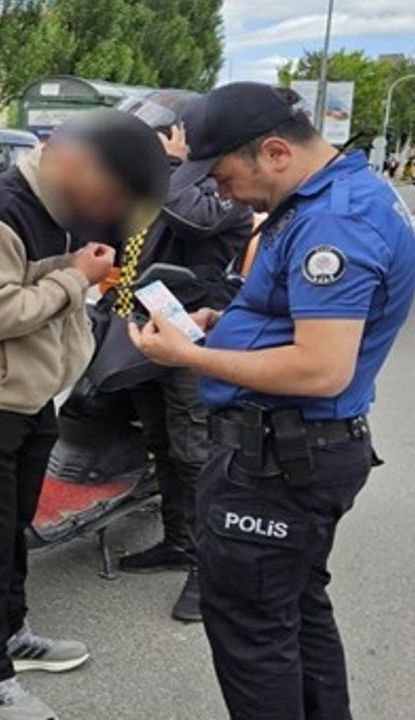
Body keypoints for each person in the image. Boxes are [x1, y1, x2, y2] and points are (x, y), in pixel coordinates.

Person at [128, 82, 415, 720]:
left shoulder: (334, 221)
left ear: (276, 153)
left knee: (253, 632)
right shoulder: (327, 196)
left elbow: (321, 368)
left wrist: (191, 357)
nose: (225, 194)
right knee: (295, 609)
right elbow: (290, 315)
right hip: (292, 452)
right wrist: (220, 321)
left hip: (278, 462)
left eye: (225, 177)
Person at [0, 110, 169, 720]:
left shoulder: (60, 213)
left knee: (13, 527)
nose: (109, 208)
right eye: (111, 192)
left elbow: (47, 296)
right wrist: (76, 279)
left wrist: (80, 279)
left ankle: (12, 633)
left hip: (28, 396)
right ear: (76, 164)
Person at [114, 93, 255, 626]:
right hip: (146, 326)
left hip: (194, 331)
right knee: (162, 445)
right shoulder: (154, 186)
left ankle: (206, 566)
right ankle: (177, 540)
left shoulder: (220, 192)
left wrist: (176, 166)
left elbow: (188, 220)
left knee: (196, 451)